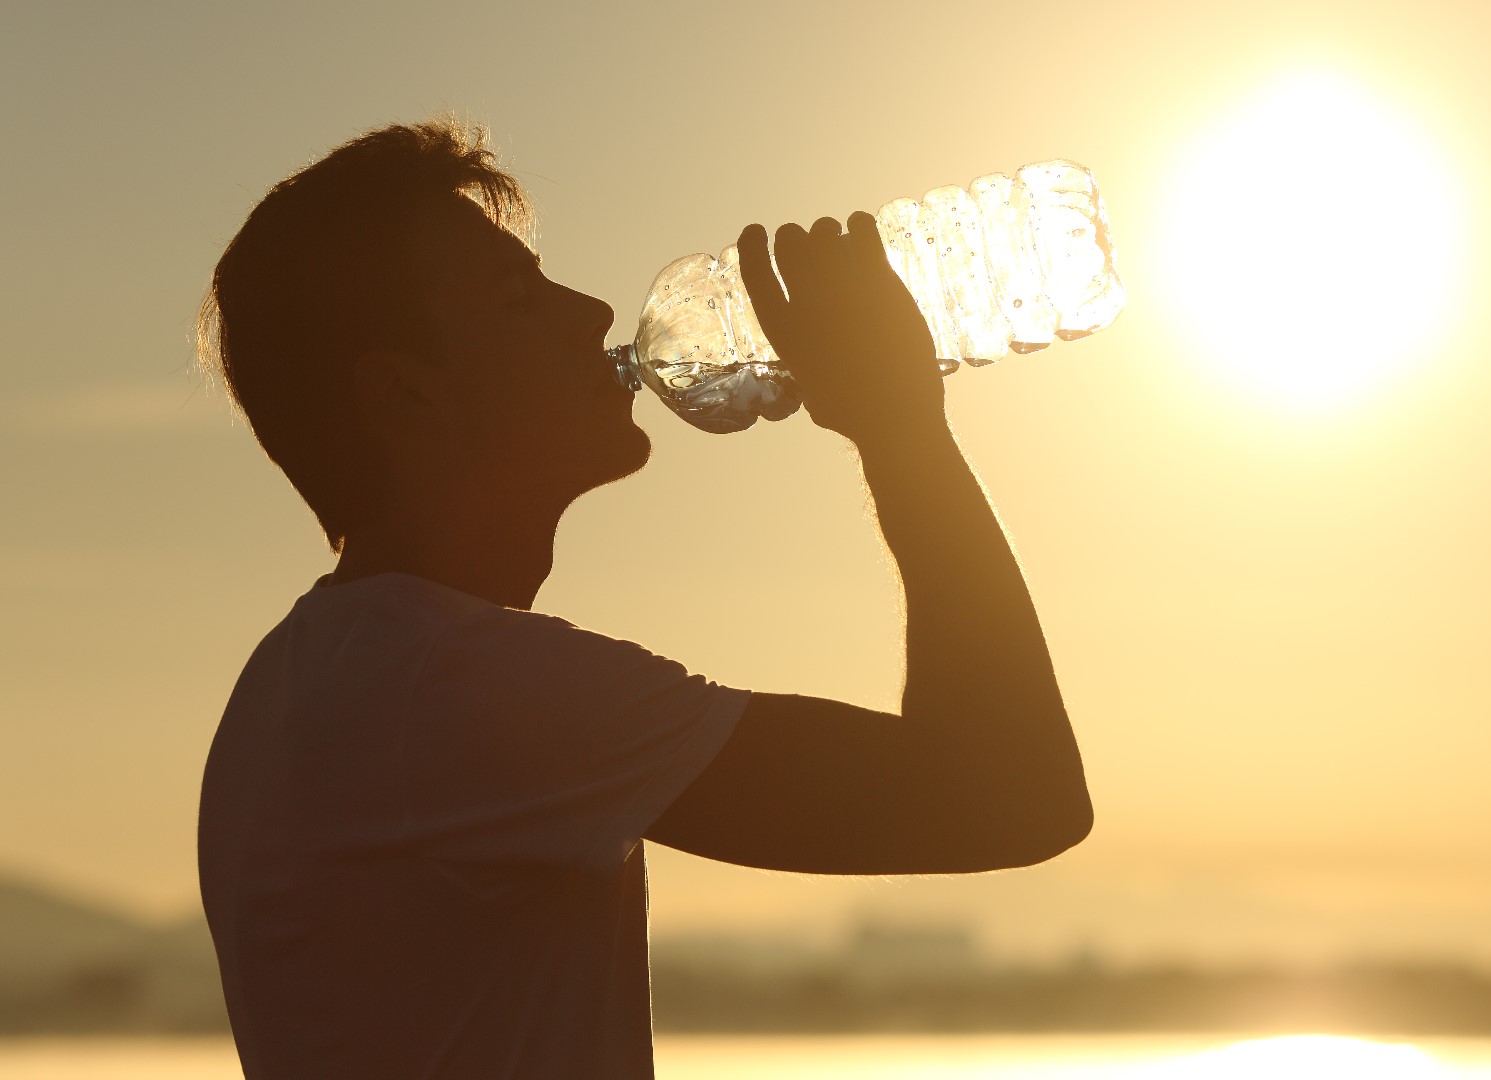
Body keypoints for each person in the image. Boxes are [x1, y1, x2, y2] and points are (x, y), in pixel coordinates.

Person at [195, 119, 1092, 1079]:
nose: (588, 309)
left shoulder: (303, 678)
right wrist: (898, 424)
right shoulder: (453, 685)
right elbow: (1012, 797)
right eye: (517, 300)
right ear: (410, 399)